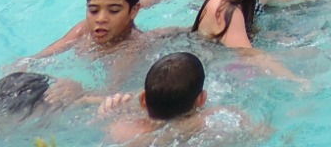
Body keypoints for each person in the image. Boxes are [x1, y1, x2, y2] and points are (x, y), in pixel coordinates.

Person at [99, 52, 261, 143]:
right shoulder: (220, 118)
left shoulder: (120, 129)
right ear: (201, 99)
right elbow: (260, 135)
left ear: (143, 99)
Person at [34, 0, 158, 63]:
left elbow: (112, 89)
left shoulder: (131, 50)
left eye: (114, 10)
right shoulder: (84, 29)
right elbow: (37, 59)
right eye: (93, 10)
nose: (100, 19)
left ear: (134, 11)